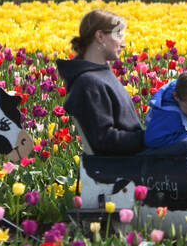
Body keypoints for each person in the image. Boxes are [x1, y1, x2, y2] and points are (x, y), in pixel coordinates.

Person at [55, 9, 144, 155]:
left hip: (134, 158)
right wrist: (147, 138)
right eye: (119, 35)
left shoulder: (100, 74)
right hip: (122, 167)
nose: (123, 44)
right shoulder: (88, 82)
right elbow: (104, 140)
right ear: (100, 36)